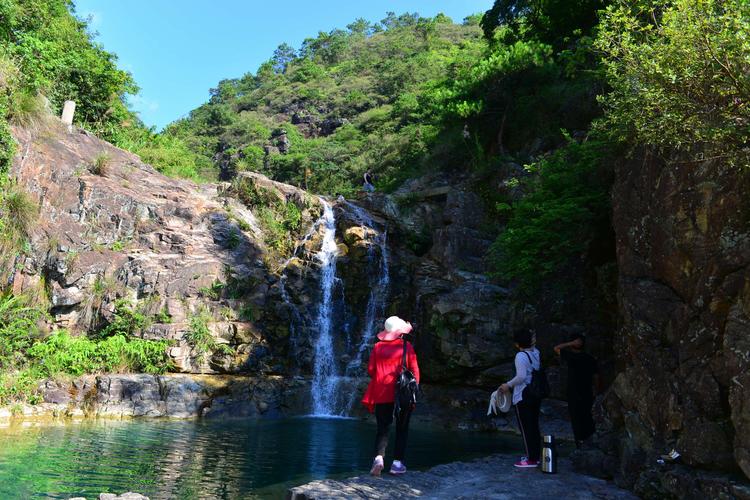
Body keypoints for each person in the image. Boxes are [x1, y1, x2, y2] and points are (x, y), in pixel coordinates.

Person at [362, 316, 420, 476]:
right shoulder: (406, 346)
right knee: (402, 429)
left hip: (381, 393)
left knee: (382, 429)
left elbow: (371, 370)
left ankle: (379, 459)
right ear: (400, 333)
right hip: (402, 394)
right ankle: (397, 464)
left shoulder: (377, 347)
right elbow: (415, 372)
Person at [499, 330, 542, 468]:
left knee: (526, 428)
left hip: (523, 395)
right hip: (535, 394)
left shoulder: (521, 356)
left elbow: (521, 376)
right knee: (534, 426)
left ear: (517, 344)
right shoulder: (536, 353)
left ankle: (531, 459)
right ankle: (536, 455)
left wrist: (507, 385)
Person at [554, 333, 599, 447]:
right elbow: (596, 377)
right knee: (586, 417)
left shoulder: (571, 356)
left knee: (578, 418)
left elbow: (556, 348)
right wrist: (597, 390)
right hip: (585, 392)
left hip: (576, 392)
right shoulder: (587, 358)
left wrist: (571, 343)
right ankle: (587, 441)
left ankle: (580, 442)